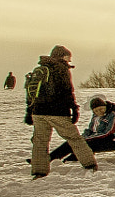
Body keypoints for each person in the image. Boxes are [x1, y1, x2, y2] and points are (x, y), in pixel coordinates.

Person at [25, 45, 96, 176]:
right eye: (67, 56)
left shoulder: (41, 69)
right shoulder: (60, 69)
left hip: (38, 112)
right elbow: (67, 91)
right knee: (74, 138)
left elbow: (30, 93)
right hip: (57, 111)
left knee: (40, 142)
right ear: (62, 56)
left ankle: (39, 171)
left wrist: (29, 112)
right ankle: (89, 164)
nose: (69, 60)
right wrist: (74, 108)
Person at [53, 97, 115, 162]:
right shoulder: (95, 117)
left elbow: (110, 133)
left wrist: (88, 139)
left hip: (113, 141)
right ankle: (50, 159)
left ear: (105, 106)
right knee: (73, 142)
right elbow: (91, 130)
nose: (99, 112)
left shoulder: (114, 114)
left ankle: (69, 161)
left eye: (101, 109)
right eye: (96, 111)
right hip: (97, 139)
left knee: (85, 145)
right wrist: (82, 137)